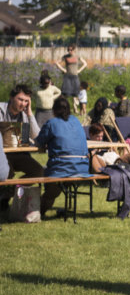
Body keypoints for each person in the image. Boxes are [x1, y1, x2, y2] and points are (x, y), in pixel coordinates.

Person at [1, 85, 60, 213]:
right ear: (11, 98)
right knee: (7, 172)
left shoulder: (25, 114)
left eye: (26, 101)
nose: (23, 103)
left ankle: (11, 191)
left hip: (20, 154)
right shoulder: (1, 109)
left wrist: (30, 114)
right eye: (20, 99)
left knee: (38, 171)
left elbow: (37, 136)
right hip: (3, 155)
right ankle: (5, 197)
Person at [35, 96, 90, 178]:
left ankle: (50, 190)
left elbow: (39, 142)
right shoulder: (76, 121)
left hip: (60, 168)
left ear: (54, 110)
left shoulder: (51, 123)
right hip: (83, 167)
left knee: (40, 172)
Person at [56, 44, 87, 112]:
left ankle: (75, 108)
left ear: (74, 49)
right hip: (67, 76)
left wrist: (79, 70)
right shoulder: (65, 57)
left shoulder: (77, 56)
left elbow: (85, 64)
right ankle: (64, 107)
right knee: (65, 93)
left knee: (75, 93)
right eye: (68, 50)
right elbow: (57, 63)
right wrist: (63, 70)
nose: (69, 51)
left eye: (71, 50)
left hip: (75, 76)